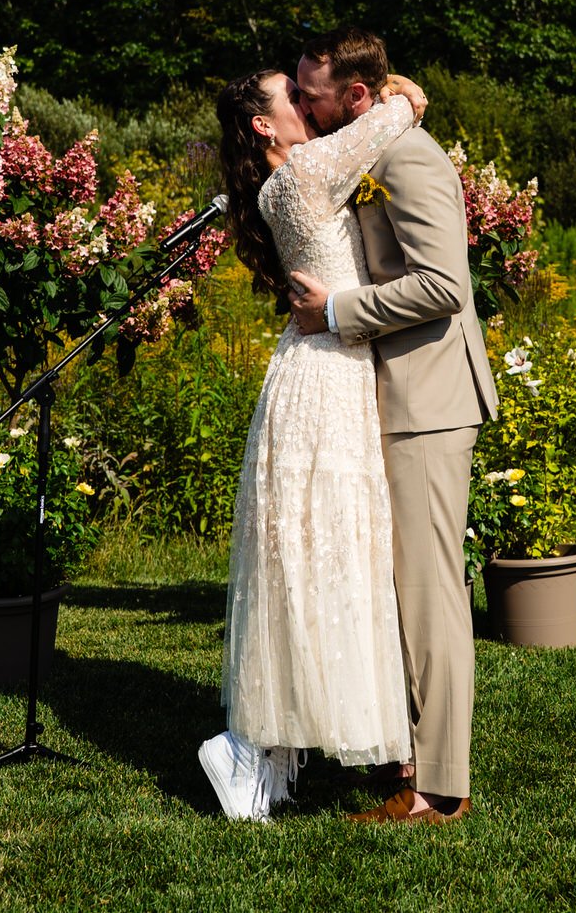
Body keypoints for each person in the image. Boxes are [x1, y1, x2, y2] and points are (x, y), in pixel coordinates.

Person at [199, 62, 431, 821]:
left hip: (320, 373)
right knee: (319, 555)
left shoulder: (287, 181)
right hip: (326, 380)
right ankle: (252, 746)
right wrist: (402, 91)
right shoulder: (301, 170)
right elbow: (396, 115)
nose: (306, 104)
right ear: (264, 124)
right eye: (290, 97)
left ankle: (262, 750)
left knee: (312, 556)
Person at [286, 26, 497, 825]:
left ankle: (441, 790)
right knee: (403, 589)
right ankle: (411, 757)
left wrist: (335, 311)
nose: (304, 104)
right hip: (394, 396)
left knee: (429, 594)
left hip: (430, 401)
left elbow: (444, 284)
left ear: (358, 96)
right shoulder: (367, 151)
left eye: (314, 93)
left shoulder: (409, 158)